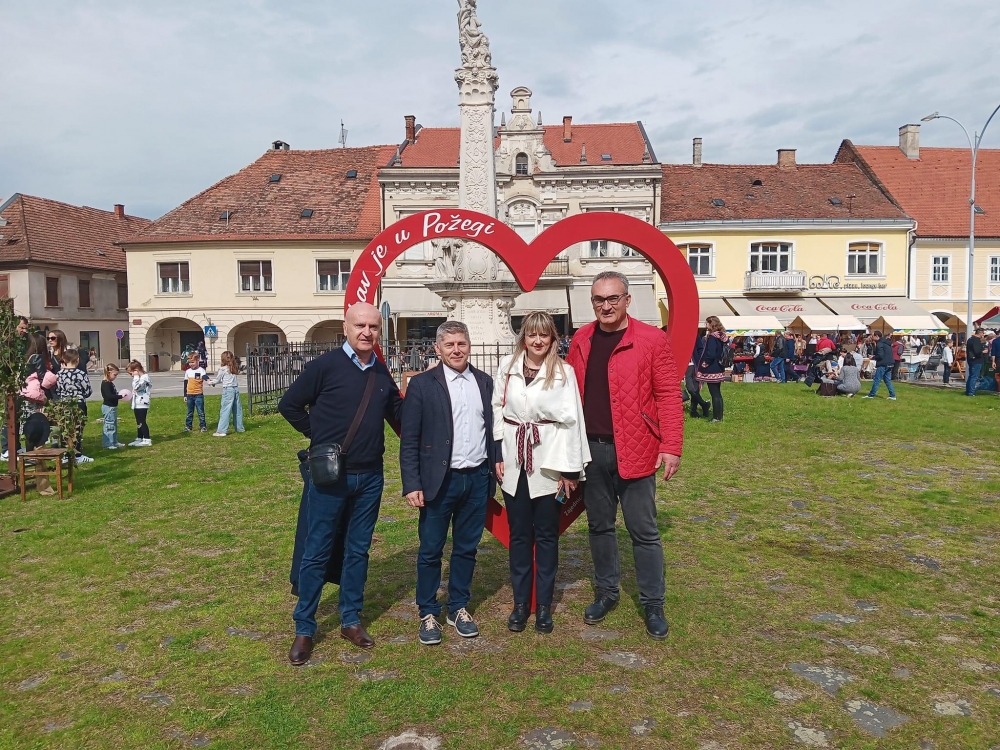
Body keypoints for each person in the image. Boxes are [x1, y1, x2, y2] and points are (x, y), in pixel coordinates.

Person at [279, 302, 403, 665]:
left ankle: (350, 619)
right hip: (331, 477)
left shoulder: (381, 372)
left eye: (373, 327)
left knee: (358, 550)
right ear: (346, 327)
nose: (367, 332)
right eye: (360, 325)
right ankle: (305, 627)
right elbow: (289, 406)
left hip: (370, 477)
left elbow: (399, 413)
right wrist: (319, 441)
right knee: (316, 550)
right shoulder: (323, 367)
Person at [566, 271, 682, 641]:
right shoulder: (581, 340)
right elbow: (566, 395)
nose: (606, 306)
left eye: (613, 298)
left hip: (636, 447)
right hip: (591, 451)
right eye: (599, 299)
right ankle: (607, 591)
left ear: (628, 300)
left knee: (643, 531)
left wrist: (671, 446)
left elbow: (667, 395)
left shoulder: (651, 339)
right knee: (600, 527)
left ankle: (652, 602)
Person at [399, 320, 496, 645]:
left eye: (462, 344)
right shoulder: (423, 385)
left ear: (469, 346)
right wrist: (412, 483)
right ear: (437, 349)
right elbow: (409, 439)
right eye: (450, 345)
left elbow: (492, 431)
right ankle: (428, 611)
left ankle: (458, 607)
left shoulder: (484, 382)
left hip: (477, 479)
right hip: (439, 481)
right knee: (430, 550)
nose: (457, 350)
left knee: (467, 548)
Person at [493, 312, 589, 634]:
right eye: (532, 335)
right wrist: (496, 451)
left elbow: (573, 420)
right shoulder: (507, 366)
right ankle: (522, 604)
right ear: (524, 337)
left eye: (544, 336)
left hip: (548, 463)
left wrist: (570, 470)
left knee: (546, 536)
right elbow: (496, 408)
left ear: (552, 339)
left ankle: (544, 606)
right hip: (513, 462)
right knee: (520, 535)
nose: (537, 341)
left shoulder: (564, 372)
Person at [55, 348, 94, 462]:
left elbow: (57, 390)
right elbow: (88, 391)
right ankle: (77, 454)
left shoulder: (59, 374)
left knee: (65, 428)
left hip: (64, 404)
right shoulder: (81, 374)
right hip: (78, 403)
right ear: (77, 360)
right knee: (78, 428)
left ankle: (66, 454)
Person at [694, 316, 730, 422]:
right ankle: (719, 416)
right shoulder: (720, 336)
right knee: (717, 393)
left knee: (714, 393)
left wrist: (705, 363)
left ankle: (716, 417)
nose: (706, 325)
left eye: (707, 323)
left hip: (711, 368)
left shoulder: (713, 337)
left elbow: (711, 353)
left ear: (711, 324)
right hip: (718, 367)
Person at [209, 351, 245, 436]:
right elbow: (224, 379)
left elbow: (218, 380)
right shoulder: (233, 367)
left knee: (225, 410)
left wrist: (210, 382)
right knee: (237, 410)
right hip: (235, 389)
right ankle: (239, 428)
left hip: (228, 390)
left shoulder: (222, 369)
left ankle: (221, 431)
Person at [125, 360, 152, 447]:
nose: (131, 375)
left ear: (136, 370)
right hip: (137, 403)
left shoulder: (145, 378)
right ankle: (140, 437)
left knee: (142, 421)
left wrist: (136, 377)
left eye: (131, 373)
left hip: (142, 402)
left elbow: (137, 387)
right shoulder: (141, 378)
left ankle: (147, 439)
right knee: (138, 422)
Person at [864, 331, 896, 400]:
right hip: (890, 363)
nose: (872, 337)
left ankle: (871, 395)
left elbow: (880, 355)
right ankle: (892, 395)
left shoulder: (880, 343)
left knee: (877, 379)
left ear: (877, 336)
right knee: (887, 380)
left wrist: (873, 357)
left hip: (883, 363)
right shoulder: (887, 343)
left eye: (872, 336)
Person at [100, 364, 127, 449]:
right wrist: (120, 396)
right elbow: (108, 396)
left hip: (112, 407)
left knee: (113, 425)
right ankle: (108, 443)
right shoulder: (105, 383)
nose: (115, 377)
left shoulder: (110, 383)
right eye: (114, 375)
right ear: (108, 373)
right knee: (109, 426)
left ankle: (114, 442)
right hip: (108, 407)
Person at [183, 352, 209, 432]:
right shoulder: (187, 372)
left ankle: (203, 426)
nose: (191, 364)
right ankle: (188, 426)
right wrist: (185, 395)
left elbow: (204, 376)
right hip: (190, 395)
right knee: (189, 412)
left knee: (201, 411)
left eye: (193, 362)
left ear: (198, 361)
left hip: (198, 395)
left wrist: (208, 380)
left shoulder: (201, 370)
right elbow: (185, 384)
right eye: (190, 362)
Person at [965, 328, 986, 397]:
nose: (983, 335)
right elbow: (977, 351)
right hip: (976, 360)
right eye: (983, 333)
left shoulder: (970, 339)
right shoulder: (976, 340)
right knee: (974, 377)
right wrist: (983, 351)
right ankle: (971, 392)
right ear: (980, 333)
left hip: (971, 360)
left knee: (971, 376)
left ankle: (968, 391)